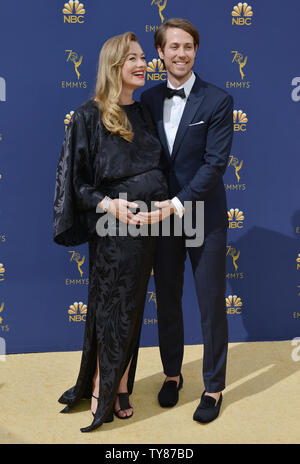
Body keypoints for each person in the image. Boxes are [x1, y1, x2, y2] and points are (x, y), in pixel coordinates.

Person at [53, 31, 168, 432]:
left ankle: (121, 383)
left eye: (142, 57)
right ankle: (102, 383)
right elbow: (76, 182)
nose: (141, 64)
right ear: (112, 66)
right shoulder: (89, 115)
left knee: (133, 308)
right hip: (113, 229)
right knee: (111, 308)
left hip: (151, 229)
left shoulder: (144, 112)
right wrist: (109, 205)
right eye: (130, 59)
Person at [136, 18, 234, 423]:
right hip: (163, 217)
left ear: (196, 51)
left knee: (211, 303)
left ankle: (213, 387)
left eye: (188, 46)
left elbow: (214, 166)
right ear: (160, 53)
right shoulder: (146, 99)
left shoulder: (217, 100)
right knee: (170, 300)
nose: (181, 53)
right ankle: (172, 375)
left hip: (203, 215)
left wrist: (176, 203)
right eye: (173, 46)